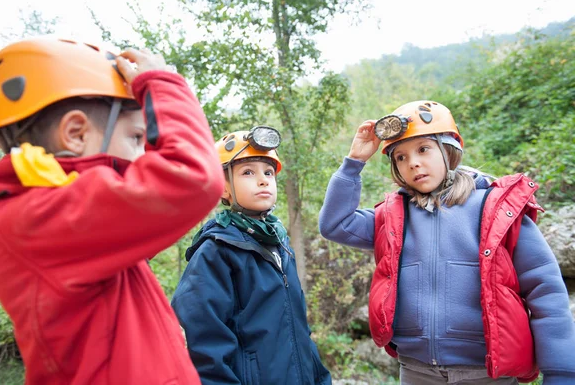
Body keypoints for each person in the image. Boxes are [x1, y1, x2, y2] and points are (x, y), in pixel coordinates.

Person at [0, 38, 225, 384]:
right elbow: (193, 179)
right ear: (75, 134)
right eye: (137, 138)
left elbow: (173, 197)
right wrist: (163, 85)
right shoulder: (40, 218)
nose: (145, 153)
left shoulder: (57, 213)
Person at [319, 100, 575, 385]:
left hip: (487, 373)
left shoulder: (498, 210)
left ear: (449, 150)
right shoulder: (392, 216)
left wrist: (561, 373)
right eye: (400, 157)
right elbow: (334, 224)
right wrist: (354, 162)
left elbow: (546, 291)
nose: (413, 162)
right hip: (415, 370)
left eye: (423, 149)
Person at [171, 126, 332, 385]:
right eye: (248, 172)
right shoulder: (216, 251)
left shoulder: (279, 244)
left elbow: (298, 330)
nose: (263, 180)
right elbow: (206, 346)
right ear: (222, 188)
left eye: (268, 172)